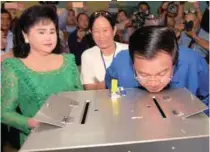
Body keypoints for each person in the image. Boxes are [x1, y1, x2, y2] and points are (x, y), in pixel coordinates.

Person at [1, 5, 83, 147]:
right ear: (25, 36)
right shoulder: (14, 66)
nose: (48, 37)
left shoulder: (68, 61)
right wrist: (31, 123)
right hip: (36, 140)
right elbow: (4, 112)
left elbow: (81, 97)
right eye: (41, 32)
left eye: (52, 31)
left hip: (72, 137)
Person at [105, 26, 209, 115]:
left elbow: (207, 97)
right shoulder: (120, 64)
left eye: (161, 73)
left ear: (175, 63)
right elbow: (112, 83)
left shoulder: (193, 63)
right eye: (143, 74)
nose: (153, 83)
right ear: (132, 64)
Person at [81, 10, 128, 90]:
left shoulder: (127, 51)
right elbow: (89, 88)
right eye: (96, 31)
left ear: (114, 30)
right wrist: (109, 82)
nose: (101, 36)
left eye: (105, 30)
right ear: (91, 33)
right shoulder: (87, 55)